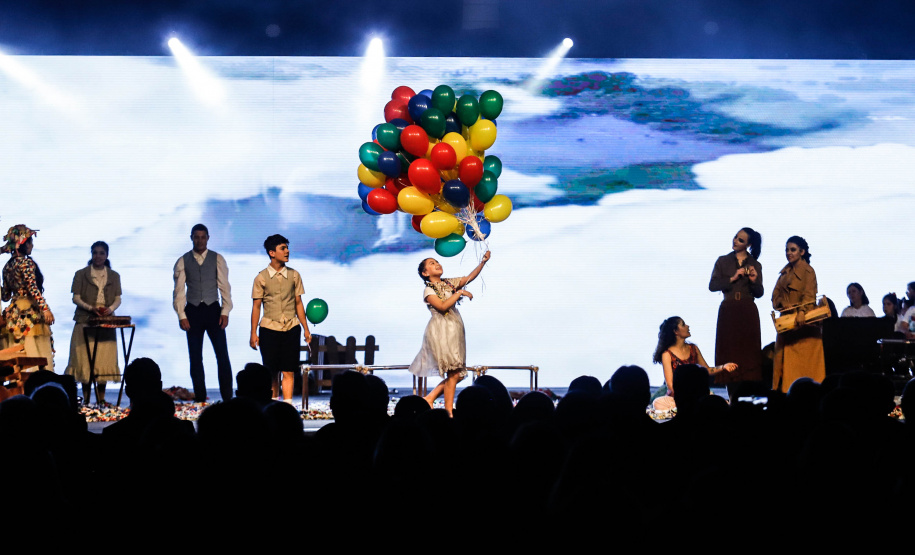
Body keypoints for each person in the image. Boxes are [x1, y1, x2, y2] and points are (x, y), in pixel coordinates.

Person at [409, 252, 491, 417]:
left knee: (457, 373)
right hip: (442, 331)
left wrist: (482, 262)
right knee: (453, 372)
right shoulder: (429, 290)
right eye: (432, 263)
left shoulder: (448, 283)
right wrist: (460, 293)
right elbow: (442, 306)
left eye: (437, 261)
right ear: (425, 273)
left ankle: (430, 398)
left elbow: (468, 278)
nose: (437, 264)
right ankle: (448, 413)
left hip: (455, 329)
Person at [173, 223, 233, 403]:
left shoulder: (217, 259)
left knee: (222, 355)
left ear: (208, 238)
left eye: (203, 237)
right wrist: (182, 315)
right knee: (195, 357)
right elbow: (179, 291)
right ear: (191, 238)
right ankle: (200, 397)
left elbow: (224, 287)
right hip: (193, 312)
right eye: (196, 237)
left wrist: (225, 311)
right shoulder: (183, 261)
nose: (199, 240)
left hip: (213, 310)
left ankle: (227, 397)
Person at [249, 234, 312, 402]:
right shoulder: (261, 277)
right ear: (272, 253)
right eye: (282, 248)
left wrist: (306, 329)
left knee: (289, 370)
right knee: (271, 372)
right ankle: (273, 405)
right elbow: (256, 306)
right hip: (269, 328)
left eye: (287, 248)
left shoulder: (294, 275)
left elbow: (298, 303)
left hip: (291, 327)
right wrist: (253, 333)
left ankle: (288, 405)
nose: (287, 251)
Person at [708, 227, 764, 399]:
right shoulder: (723, 261)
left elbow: (759, 292)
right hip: (729, 310)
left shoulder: (755, 264)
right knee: (729, 353)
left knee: (748, 356)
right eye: (735, 237)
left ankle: (746, 398)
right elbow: (712, 286)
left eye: (740, 240)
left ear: (748, 244)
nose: (735, 241)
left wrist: (754, 280)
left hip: (747, 311)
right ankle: (731, 397)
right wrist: (732, 278)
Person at [64, 241, 122, 405]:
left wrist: (109, 309)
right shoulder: (81, 274)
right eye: (95, 252)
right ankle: (87, 399)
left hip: (106, 320)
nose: (98, 256)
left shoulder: (114, 275)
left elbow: (118, 298)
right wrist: (91, 308)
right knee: (85, 359)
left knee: (103, 359)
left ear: (107, 255)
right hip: (85, 320)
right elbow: (76, 297)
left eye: (101, 253)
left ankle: (101, 399)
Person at [771, 236, 826, 392]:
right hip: (787, 323)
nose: (789, 253)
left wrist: (802, 312)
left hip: (805, 324)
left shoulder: (808, 271)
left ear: (802, 252)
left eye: (793, 250)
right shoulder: (784, 273)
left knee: (805, 368)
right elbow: (775, 296)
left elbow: (809, 294)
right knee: (782, 364)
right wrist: (782, 303)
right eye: (787, 250)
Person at [1, 224, 55, 371]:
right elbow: (32, 288)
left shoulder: (7, 267)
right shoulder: (26, 263)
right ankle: (37, 379)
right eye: (30, 242)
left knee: (18, 350)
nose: (32, 245)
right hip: (29, 310)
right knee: (36, 352)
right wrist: (45, 309)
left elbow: (6, 296)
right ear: (23, 244)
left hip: (13, 314)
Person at [651, 316, 737, 400]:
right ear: (676, 331)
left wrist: (723, 367)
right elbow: (670, 384)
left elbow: (707, 370)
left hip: (696, 393)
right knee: (658, 403)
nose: (687, 326)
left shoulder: (693, 349)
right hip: (677, 397)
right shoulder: (667, 354)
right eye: (683, 324)